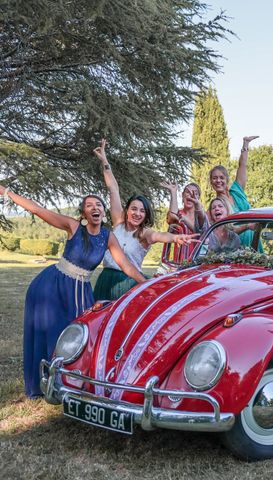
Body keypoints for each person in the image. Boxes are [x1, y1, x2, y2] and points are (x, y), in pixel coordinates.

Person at [0, 184, 146, 398]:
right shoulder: (74, 226)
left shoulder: (108, 237)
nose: (95, 207)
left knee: (79, 335)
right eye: (89, 205)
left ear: (103, 212)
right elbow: (38, 210)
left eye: (99, 204)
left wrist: (145, 281)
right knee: (51, 331)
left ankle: (73, 382)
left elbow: (125, 265)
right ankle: (47, 383)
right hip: (53, 286)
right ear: (84, 213)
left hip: (81, 290)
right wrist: (7, 193)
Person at [91, 139, 198, 300]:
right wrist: (105, 160)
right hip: (105, 280)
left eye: (142, 211)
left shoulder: (144, 233)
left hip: (128, 284)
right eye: (134, 209)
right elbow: (113, 188)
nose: (137, 213)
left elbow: (160, 236)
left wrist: (176, 238)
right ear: (127, 211)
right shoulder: (118, 222)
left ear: (145, 215)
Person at [209, 135, 259, 247]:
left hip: (254, 241)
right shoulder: (216, 207)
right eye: (214, 178)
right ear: (211, 182)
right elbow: (220, 234)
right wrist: (246, 226)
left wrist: (245, 144)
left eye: (221, 177)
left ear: (227, 179)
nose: (218, 181)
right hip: (235, 249)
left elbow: (242, 166)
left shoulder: (237, 191)